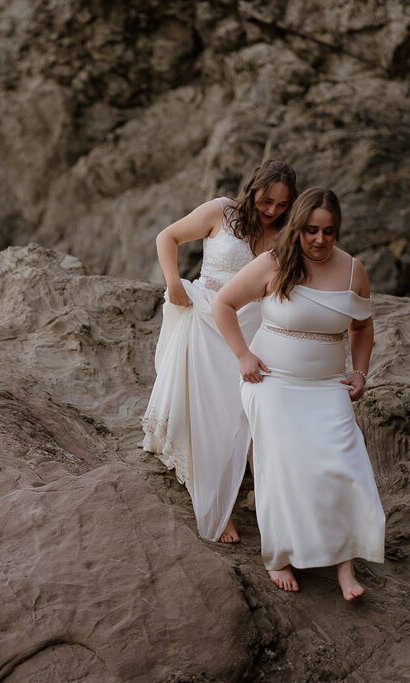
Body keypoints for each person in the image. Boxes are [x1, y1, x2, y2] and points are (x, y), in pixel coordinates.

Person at [212, 187, 384, 599]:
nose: (319, 240)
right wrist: (243, 355)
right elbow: (223, 303)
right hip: (272, 383)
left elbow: (361, 325)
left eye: (328, 231)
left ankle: (345, 565)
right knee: (284, 466)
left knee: (344, 465)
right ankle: (280, 554)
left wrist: (360, 372)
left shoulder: (352, 270)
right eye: (310, 230)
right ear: (298, 227)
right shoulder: (274, 263)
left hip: (327, 387)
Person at [142, 160, 297, 543]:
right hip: (207, 319)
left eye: (282, 204)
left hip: (252, 328)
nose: (272, 210)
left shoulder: (283, 233)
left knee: (247, 415)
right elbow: (167, 237)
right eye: (267, 200)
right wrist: (174, 282)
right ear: (253, 188)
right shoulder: (221, 211)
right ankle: (217, 505)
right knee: (209, 412)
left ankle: (273, 504)